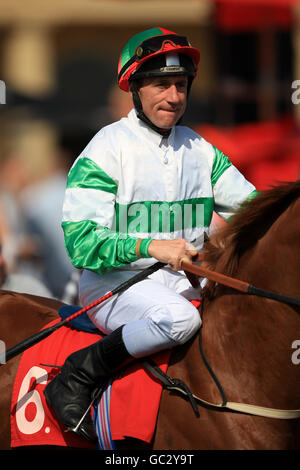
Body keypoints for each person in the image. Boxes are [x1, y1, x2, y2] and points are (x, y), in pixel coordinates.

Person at [44, 27, 257, 441]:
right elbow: (81, 244)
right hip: (112, 286)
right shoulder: (106, 149)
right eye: (161, 85)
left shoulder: (203, 151)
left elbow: (256, 212)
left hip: (186, 283)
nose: (174, 97)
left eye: (180, 85)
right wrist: (151, 247)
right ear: (135, 89)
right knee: (179, 319)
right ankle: (78, 374)